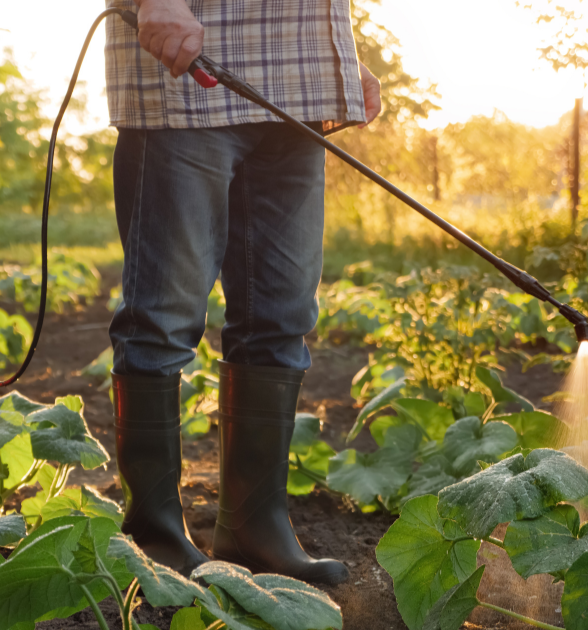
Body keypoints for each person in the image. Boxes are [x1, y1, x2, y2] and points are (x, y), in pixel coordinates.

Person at [104, 0, 382, 586]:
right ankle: (152, 538)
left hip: (298, 88)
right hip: (188, 79)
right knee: (164, 319)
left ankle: (256, 529)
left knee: (281, 318)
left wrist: (336, 59)